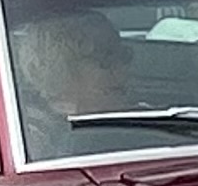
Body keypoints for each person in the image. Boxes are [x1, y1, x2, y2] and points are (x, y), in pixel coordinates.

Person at [11, 9, 133, 159]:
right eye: (105, 58)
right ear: (59, 69)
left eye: (124, 54)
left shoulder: (151, 121)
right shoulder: (29, 140)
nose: (122, 68)